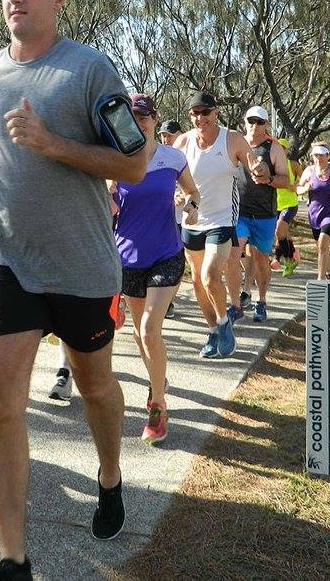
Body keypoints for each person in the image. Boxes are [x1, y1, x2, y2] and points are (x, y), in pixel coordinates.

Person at [0, 0, 147, 581]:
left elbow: (133, 165)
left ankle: (111, 474)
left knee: (94, 385)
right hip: (9, 259)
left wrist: (52, 144)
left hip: (82, 265)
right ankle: (14, 557)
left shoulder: (91, 71)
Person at [113, 94, 200, 444]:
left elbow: (193, 193)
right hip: (128, 258)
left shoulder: (172, 157)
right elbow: (108, 205)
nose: (140, 122)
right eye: (133, 117)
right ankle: (157, 375)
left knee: (149, 329)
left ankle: (157, 405)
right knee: (139, 334)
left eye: (145, 116)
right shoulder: (116, 161)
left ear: (154, 118)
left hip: (166, 253)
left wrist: (189, 206)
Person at [173, 91, 253, 359]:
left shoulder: (232, 139)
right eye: (195, 113)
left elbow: (254, 164)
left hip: (221, 218)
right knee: (197, 281)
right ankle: (212, 331)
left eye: (205, 112)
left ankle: (223, 321)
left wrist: (261, 169)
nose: (200, 117)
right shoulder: (183, 143)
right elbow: (170, 178)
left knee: (210, 275)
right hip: (192, 220)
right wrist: (177, 194)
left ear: (216, 112)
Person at [226, 106, 288, 323]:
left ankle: (261, 301)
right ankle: (235, 304)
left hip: (264, 215)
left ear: (266, 125)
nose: (254, 125)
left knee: (261, 259)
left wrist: (268, 179)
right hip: (239, 212)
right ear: (244, 121)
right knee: (233, 255)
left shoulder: (273, 148)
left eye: (259, 122)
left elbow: (286, 180)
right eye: (251, 120)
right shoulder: (235, 143)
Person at [296, 143, 330, 282]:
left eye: (321, 155)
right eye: (316, 155)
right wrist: (305, 188)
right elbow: (297, 189)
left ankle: (320, 279)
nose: (319, 158)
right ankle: (329, 272)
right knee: (321, 247)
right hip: (315, 214)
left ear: (327, 156)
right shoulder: (309, 171)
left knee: (323, 243)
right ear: (312, 156)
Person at [157, 119, 185, 318]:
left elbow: (194, 186)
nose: (166, 139)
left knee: (178, 261)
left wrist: (183, 196)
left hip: (184, 217)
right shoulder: (154, 154)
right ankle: (165, 300)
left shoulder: (183, 155)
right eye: (163, 135)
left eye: (169, 134)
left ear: (179, 134)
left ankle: (169, 300)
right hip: (162, 218)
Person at [273, 139, 304, 274]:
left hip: (290, 204)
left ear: (286, 150)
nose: (279, 150)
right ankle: (291, 255)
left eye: (282, 148)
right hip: (275, 204)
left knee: (279, 231)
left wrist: (296, 185)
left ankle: (288, 260)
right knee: (283, 234)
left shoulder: (293, 165)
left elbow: (304, 180)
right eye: (277, 147)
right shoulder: (272, 165)